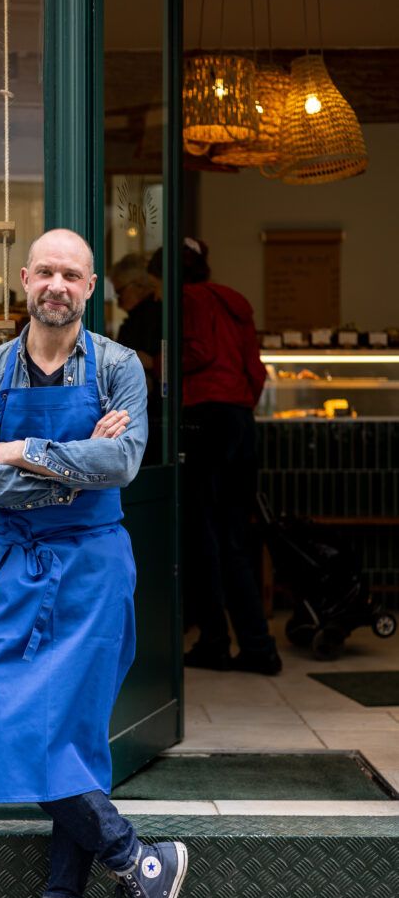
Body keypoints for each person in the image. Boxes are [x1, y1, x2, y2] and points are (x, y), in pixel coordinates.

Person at [0, 228, 187, 898]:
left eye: (71, 274)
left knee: (72, 740)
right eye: (45, 271)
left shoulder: (119, 367)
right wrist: (70, 463)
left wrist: (15, 451)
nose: (57, 284)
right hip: (16, 568)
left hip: (90, 569)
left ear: (90, 288)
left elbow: (121, 463)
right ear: (24, 279)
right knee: (16, 730)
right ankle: (139, 860)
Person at [181, 237, 282, 675]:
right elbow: (256, 370)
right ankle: (259, 648)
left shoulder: (186, 299)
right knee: (236, 540)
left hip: (205, 417)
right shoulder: (235, 303)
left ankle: (215, 643)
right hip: (240, 418)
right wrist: (240, 405)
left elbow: (197, 351)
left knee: (203, 537)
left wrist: (155, 365)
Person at [110, 253, 163, 463]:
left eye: (120, 294)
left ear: (138, 285)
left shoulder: (147, 317)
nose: (119, 303)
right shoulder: (145, 316)